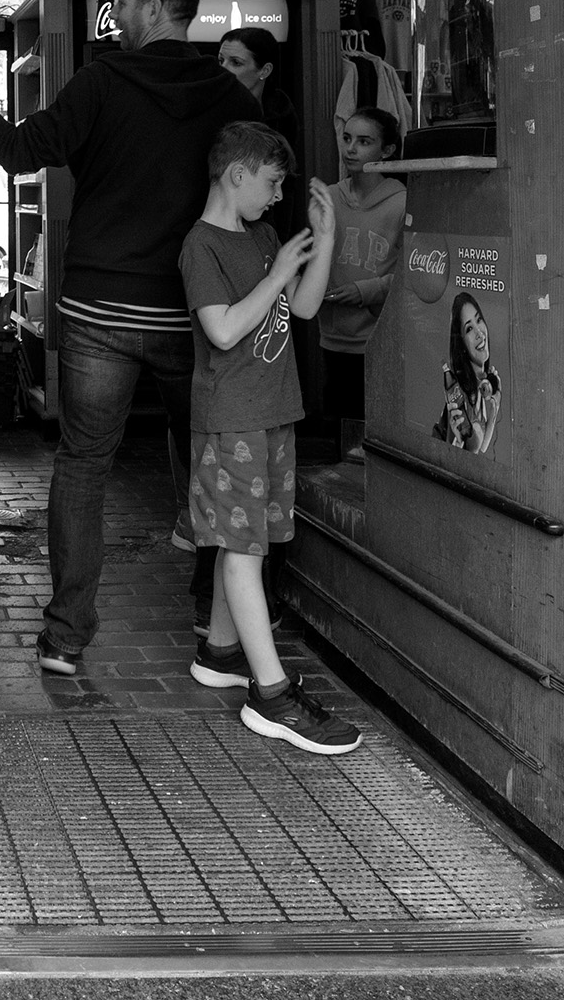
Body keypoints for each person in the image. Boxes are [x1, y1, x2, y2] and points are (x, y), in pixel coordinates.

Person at [0, 0, 259, 675]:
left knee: (82, 466)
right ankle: (215, 623)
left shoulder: (101, 83)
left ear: (153, 9)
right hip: (196, 314)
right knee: (209, 464)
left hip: (99, 310)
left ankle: (65, 635)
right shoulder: (232, 98)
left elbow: (21, 152)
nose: (114, 13)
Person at [179, 121, 361, 755]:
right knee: (245, 550)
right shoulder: (200, 247)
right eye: (272, 181)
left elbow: (305, 307)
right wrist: (279, 267)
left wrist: (325, 239)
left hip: (273, 411)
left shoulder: (261, 236)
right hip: (231, 418)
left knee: (246, 541)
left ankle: (221, 653)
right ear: (237, 175)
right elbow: (224, 329)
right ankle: (272, 694)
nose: (278, 196)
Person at [314, 108, 406, 462]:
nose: (350, 148)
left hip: (375, 338)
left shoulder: (400, 203)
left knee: (371, 435)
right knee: (342, 435)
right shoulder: (329, 198)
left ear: (387, 150)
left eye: (364, 142)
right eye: (347, 138)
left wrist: (367, 290)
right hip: (331, 334)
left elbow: (414, 274)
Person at [216, 28, 299, 162]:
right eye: (221, 61)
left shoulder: (282, 112)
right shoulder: (210, 108)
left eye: (235, 63)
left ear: (265, 71)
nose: (222, 70)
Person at [435, 292, 502, 454]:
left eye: (479, 320)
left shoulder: (485, 383)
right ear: (462, 343)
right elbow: (475, 450)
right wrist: (455, 438)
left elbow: (484, 448)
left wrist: (495, 407)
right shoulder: (462, 393)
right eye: (469, 328)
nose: (479, 333)